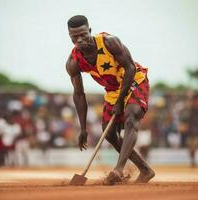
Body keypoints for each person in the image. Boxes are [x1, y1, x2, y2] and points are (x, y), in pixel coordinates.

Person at [65, 15, 155, 185]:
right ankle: (145, 170)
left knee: (131, 117)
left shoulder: (109, 42)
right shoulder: (73, 62)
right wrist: (83, 128)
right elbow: (78, 94)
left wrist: (121, 101)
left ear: (90, 31)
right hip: (113, 91)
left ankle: (118, 170)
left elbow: (130, 67)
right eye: (74, 37)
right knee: (109, 132)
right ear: (69, 37)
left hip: (134, 79)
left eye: (83, 34)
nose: (80, 40)